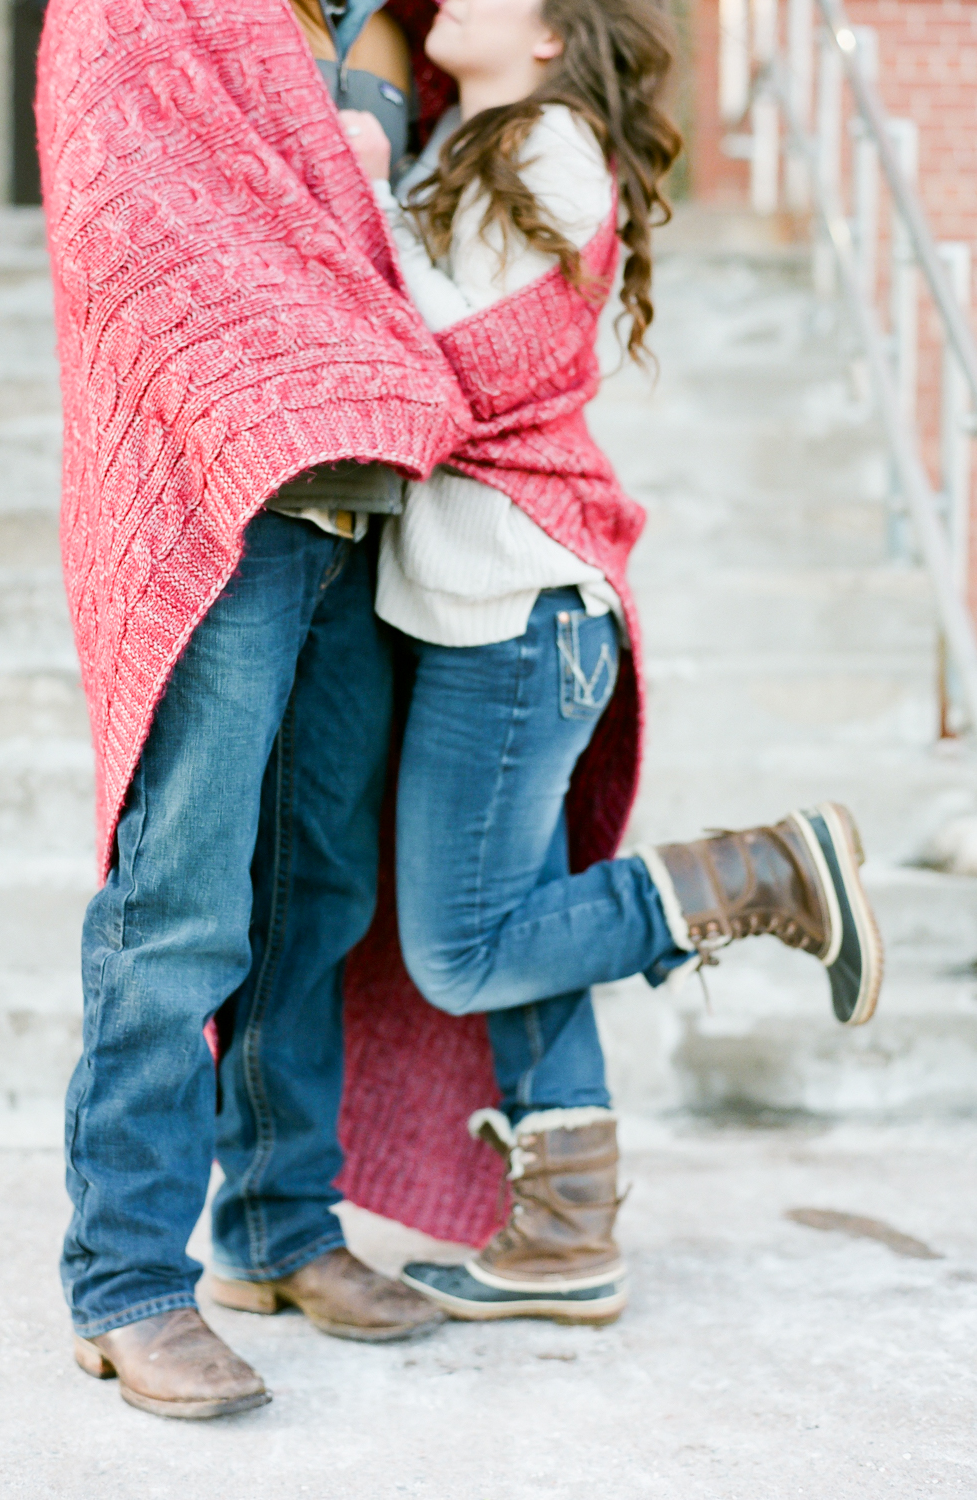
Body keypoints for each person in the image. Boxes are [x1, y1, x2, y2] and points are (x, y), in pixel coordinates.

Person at [338, 0, 884, 1325]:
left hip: (521, 615)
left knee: (466, 953)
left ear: (550, 38)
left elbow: (464, 362)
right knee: (523, 927)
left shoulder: (554, 146)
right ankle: (566, 1231)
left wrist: (356, 210)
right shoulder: (479, 144)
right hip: (488, 604)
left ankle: (760, 873)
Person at [37, 0, 476, 1421]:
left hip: (358, 505)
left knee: (320, 888)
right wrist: (312, 364)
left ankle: (280, 1232)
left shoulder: (348, 31)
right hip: (220, 502)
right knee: (180, 904)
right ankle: (127, 1283)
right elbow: (129, 231)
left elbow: (370, 226)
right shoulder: (131, 12)